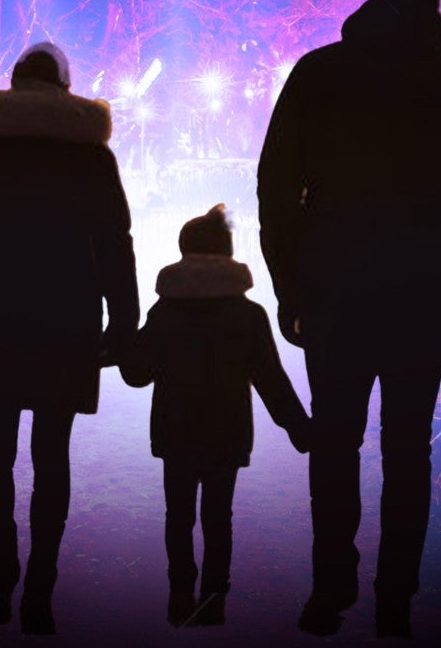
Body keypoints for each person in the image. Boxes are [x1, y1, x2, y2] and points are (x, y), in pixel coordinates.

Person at [260, 0, 441, 638]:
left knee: (336, 442)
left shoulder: (319, 74)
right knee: (408, 447)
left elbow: (276, 189)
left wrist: (288, 283)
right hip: (422, 289)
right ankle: (395, 597)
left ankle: (330, 588)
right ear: (433, 6)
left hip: (334, 286)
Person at [0, 41, 139, 634]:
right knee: (53, 457)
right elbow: (115, 244)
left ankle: (1, 577)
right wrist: (123, 324)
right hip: (67, 319)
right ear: (66, 89)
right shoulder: (92, 157)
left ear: (14, 84)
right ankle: (40, 589)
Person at [120, 204, 311, 627]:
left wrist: (122, 344)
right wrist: (301, 430)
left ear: (184, 253)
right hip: (227, 432)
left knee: (179, 515)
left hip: (175, 430)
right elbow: (271, 382)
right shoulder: (248, 315)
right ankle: (213, 598)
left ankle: (180, 592)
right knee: (218, 517)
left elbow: (137, 375)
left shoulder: (165, 313)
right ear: (227, 255)